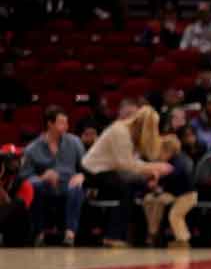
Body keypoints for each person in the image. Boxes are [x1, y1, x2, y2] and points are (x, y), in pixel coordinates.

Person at [80, 106, 171, 247]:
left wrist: (150, 170)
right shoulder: (120, 131)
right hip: (94, 171)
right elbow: (126, 165)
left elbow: (132, 162)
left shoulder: (131, 134)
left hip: (110, 170)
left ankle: (141, 235)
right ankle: (112, 236)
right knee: (126, 188)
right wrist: (153, 167)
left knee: (137, 184)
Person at [19, 107, 86, 245]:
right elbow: (24, 175)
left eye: (67, 123)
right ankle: (39, 233)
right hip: (46, 187)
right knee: (34, 186)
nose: (66, 127)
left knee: (76, 188)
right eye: (62, 123)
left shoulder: (75, 142)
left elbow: (87, 166)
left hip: (68, 185)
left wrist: (82, 175)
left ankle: (70, 234)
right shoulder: (33, 148)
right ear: (50, 124)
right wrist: (42, 177)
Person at [140, 134, 197, 246]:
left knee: (175, 215)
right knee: (150, 200)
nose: (159, 154)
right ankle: (153, 232)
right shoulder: (168, 161)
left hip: (187, 195)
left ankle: (183, 240)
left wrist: (159, 178)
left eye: (161, 150)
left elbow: (173, 175)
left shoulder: (182, 161)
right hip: (172, 194)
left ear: (169, 150)